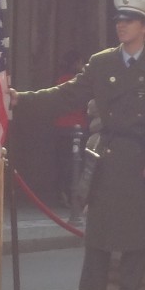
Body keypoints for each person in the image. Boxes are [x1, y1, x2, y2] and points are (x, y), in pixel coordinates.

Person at [10, 0, 145, 290]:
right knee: (99, 235)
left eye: (129, 22)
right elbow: (67, 95)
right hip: (109, 153)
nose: (121, 27)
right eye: (119, 21)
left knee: (137, 235)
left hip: (141, 155)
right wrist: (22, 99)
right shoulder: (102, 62)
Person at [52, 50, 87, 207]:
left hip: (61, 126)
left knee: (63, 163)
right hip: (76, 126)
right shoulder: (78, 81)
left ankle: (62, 193)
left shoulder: (60, 80)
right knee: (76, 163)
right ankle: (73, 195)